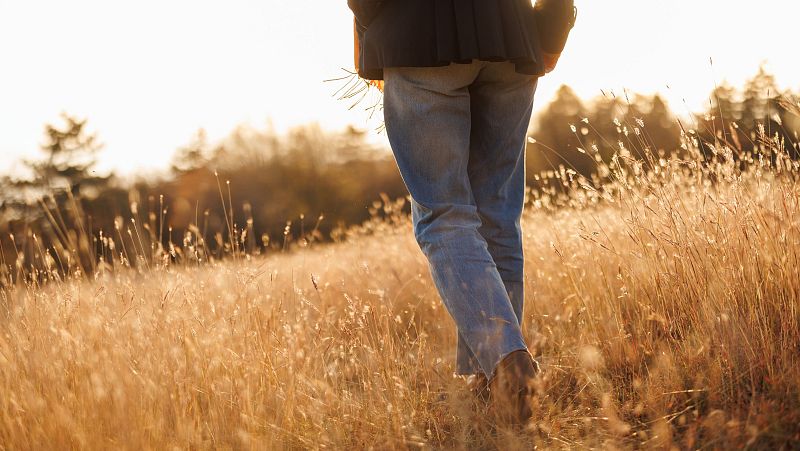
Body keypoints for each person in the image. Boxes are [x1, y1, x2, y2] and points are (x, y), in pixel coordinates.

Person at [347, 0, 576, 425]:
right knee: (497, 217)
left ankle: (507, 360)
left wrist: (375, 31)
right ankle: (491, 380)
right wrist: (552, 33)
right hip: (512, 36)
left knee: (445, 216)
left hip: (416, 36)